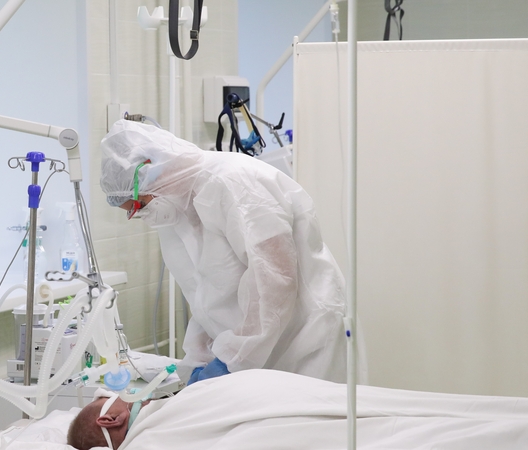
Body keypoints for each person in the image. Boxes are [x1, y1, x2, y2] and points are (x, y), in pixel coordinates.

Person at [100, 120, 359, 386]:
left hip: (303, 344)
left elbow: (275, 281)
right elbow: (205, 297)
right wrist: (199, 359)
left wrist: (232, 359)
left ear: (151, 170)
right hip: (250, 356)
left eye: (139, 205)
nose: (138, 215)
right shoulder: (175, 212)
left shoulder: (234, 182)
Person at [66, 370, 528, 450]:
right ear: (111, 419)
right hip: (282, 425)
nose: (126, 395)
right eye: (112, 398)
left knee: (401, 414)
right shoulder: (156, 436)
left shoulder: (181, 403)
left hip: (282, 397)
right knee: (411, 431)